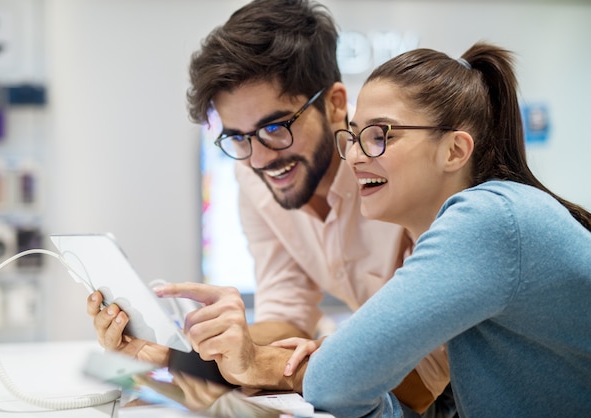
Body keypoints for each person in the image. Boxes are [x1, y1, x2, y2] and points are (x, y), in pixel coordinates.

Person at [157, 41, 591, 416]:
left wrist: (267, 364)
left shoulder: (487, 220)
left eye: (381, 135)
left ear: (455, 150)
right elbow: (349, 384)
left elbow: (338, 382)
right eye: (356, 136)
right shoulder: (479, 220)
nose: (358, 157)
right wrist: (183, 352)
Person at [87, 0, 452, 415]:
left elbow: (425, 382)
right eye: (238, 138)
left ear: (334, 105)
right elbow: (288, 314)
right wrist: (182, 355)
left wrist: (263, 364)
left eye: (276, 128)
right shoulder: (256, 178)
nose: (260, 159)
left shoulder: (403, 173)